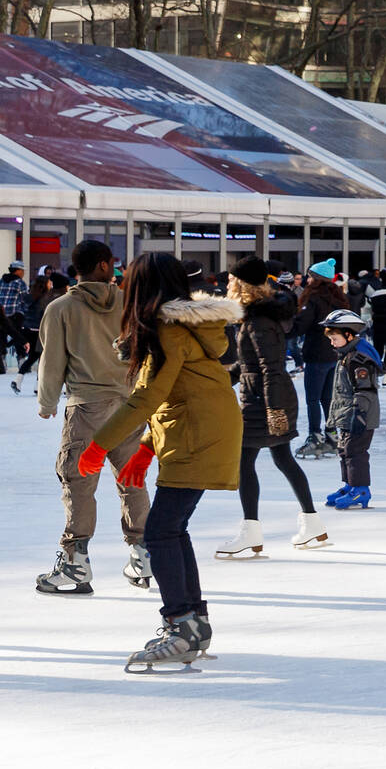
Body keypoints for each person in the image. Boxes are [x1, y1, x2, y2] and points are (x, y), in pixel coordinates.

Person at [80, 253, 243, 672]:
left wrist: (100, 445)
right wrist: (147, 448)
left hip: (197, 436)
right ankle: (194, 623)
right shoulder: (187, 326)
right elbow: (181, 390)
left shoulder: (169, 330)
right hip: (203, 429)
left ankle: (182, 626)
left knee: (160, 531)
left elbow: (148, 396)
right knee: (172, 527)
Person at [35, 239, 149, 597]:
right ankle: (142, 554)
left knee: (79, 480)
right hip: (129, 404)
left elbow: (52, 358)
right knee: (132, 478)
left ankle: (76, 561)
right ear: (104, 265)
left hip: (87, 407)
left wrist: (47, 401)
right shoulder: (129, 304)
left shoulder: (61, 308)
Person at [217, 256, 326, 559]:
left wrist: (274, 411)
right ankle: (312, 522)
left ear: (241, 284)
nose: (227, 285)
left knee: (245, 461)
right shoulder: (254, 317)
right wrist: (223, 379)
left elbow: (270, 368)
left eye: (231, 280)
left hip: (264, 401)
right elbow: (251, 364)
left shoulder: (258, 321)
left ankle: (251, 531)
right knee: (282, 458)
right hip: (264, 397)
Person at [325, 309, 380, 510]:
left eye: (335, 338)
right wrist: (333, 420)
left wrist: (359, 414)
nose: (332, 343)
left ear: (348, 335)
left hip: (360, 415)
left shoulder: (359, 358)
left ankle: (361, 490)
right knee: (345, 451)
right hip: (347, 415)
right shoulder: (346, 355)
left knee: (355, 451)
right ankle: (350, 485)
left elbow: (365, 389)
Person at [293, 259, 349, 457]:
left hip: (317, 353)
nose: (307, 280)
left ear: (316, 278)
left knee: (313, 399)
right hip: (336, 353)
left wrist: (286, 328)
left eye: (310, 276)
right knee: (328, 398)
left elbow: (302, 325)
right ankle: (332, 435)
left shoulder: (313, 298)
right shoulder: (339, 297)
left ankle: (315, 436)